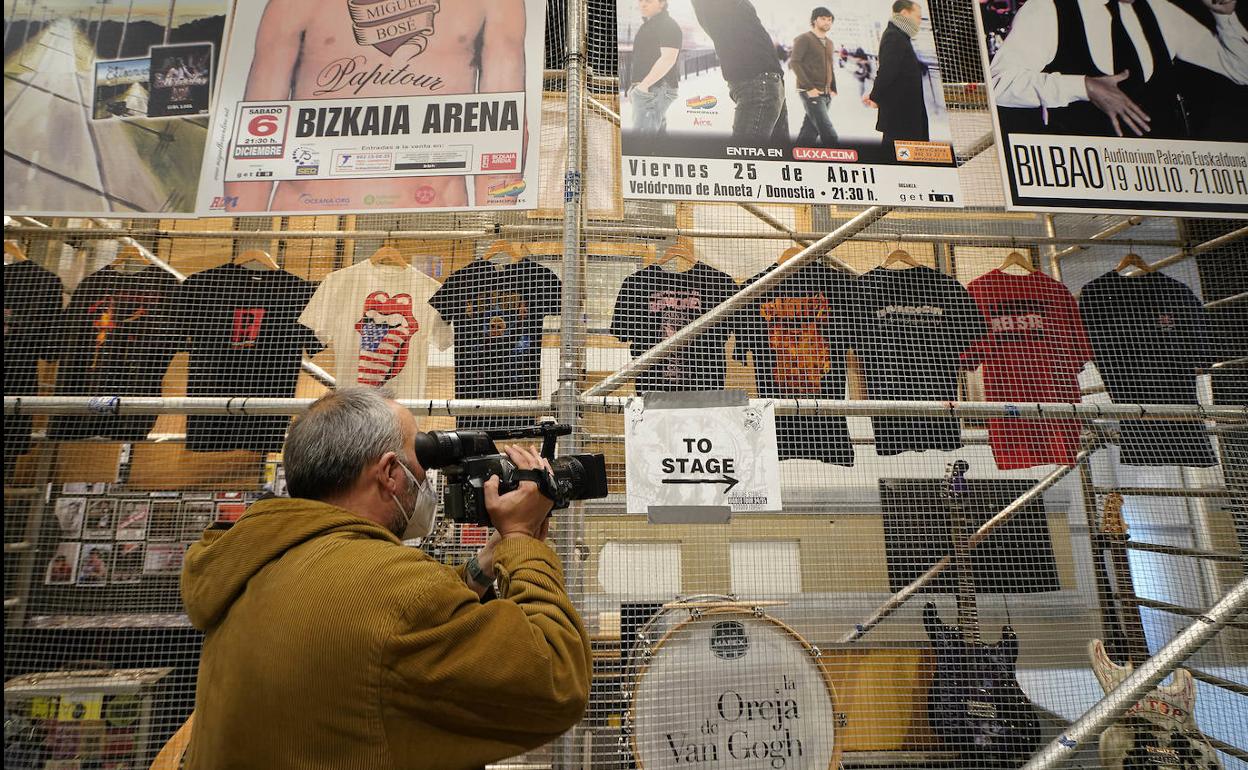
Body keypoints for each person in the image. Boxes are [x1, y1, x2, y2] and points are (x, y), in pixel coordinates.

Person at [180, 387, 592, 769]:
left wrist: (484, 564)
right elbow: (556, 681)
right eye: (420, 463)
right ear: (390, 473)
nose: (424, 480)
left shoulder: (253, 558)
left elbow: (375, 616)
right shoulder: (396, 591)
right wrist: (522, 541)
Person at [223, 0, 529, 211]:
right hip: (308, 219)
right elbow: (258, 128)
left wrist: (497, 228)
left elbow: (504, 125)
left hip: (433, 219)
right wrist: (243, 239)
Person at [988, 0, 1248, 138]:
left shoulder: (1160, 11)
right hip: (1085, 187)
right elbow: (1000, 85)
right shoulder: (1048, 8)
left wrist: (1225, 18)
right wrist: (1084, 87)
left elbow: (1240, 70)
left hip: (1161, 181)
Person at [691, 0, 791, 144]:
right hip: (759, 83)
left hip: (768, 82)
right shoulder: (716, 6)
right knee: (745, 156)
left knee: (774, 159)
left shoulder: (736, 9)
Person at [865, 0, 931, 149]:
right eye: (918, 17)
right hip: (902, 118)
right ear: (904, 13)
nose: (920, 22)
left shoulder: (900, 36)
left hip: (904, 116)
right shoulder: (894, 37)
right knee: (897, 158)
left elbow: (897, 67)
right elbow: (887, 72)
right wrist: (875, 97)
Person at [628, 0, 683, 137]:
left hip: (656, 87)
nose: (643, 4)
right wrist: (637, 86)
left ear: (662, 3)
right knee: (656, 136)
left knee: (642, 139)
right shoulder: (649, 25)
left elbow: (668, 59)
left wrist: (642, 87)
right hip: (650, 88)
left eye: (649, 1)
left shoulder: (667, 25)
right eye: (640, 0)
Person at [791, 6, 839, 146]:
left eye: (829, 20)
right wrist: (809, 88)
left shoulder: (830, 43)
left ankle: (797, 155)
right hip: (810, 91)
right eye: (823, 19)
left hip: (826, 93)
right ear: (814, 20)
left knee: (810, 131)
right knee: (828, 133)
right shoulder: (804, 39)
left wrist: (833, 88)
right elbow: (795, 62)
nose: (827, 22)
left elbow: (830, 65)